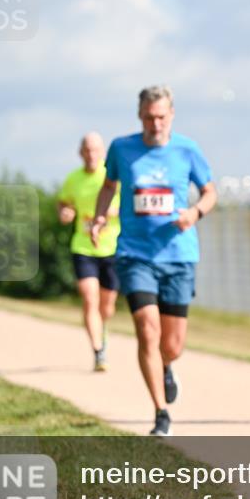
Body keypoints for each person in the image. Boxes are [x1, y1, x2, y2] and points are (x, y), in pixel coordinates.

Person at [91, 86, 216, 436]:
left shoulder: (187, 150)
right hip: (135, 255)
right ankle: (161, 413)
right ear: (139, 116)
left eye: (161, 116)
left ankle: (166, 366)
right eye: (148, 117)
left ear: (171, 114)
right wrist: (101, 217)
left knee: (172, 345)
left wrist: (194, 213)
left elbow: (210, 193)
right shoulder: (121, 148)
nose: (155, 123)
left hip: (179, 256)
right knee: (147, 329)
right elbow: (108, 186)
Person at [58, 132, 122, 371]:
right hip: (83, 247)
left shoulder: (113, 176)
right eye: (87, 150)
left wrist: (112, 211)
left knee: (107, 306)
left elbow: (130, 203)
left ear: (103, 152)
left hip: (111, 247)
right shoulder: (73, 179)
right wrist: (65, 212)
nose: (91, 154)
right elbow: (63, 202)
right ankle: (98, 351)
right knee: (89, 299)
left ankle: (102, 332)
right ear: (80, 153)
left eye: (96, 150)